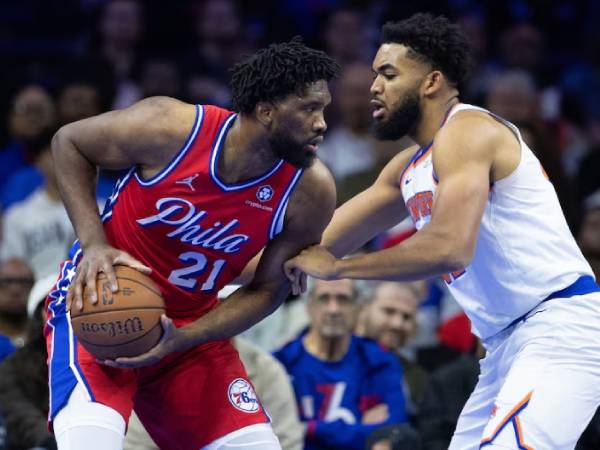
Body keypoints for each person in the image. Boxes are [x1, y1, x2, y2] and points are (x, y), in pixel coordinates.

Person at [284, 13, 600, 450]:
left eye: (388, 74)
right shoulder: (406, 168)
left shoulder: (469, 130)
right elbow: (304, 246)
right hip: (502, 347)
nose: (374, 87)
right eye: (374, 74)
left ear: (432, 81)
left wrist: (340, 268)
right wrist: (201, 282)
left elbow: (450, 248)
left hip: (558, 325)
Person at [46, 38, 339, 450]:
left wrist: (186, 337)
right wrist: (93, 244)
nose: (322, 123)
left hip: (191, 330)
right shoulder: (169, 127)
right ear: (266, 110)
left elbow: (269, 290)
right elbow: (69, 143)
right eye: (309, 108)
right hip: (101, 305)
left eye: (323, 109)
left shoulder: (311, 191)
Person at [274, 279, 407, 450]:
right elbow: (276, 435)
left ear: (359, 307)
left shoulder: (380, 362)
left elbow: (392, 433)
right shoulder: (281, 363)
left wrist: (309, 428)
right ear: (308, 305)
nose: (333, 309)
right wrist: (361, 430)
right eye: (324, 299)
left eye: (343, 299)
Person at [358, 281, 428, 419]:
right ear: (363, 308)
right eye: (389, 311)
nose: (398, 324)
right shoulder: (329, 356)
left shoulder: (417, 378)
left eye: (406, 317)